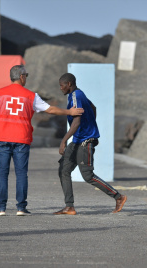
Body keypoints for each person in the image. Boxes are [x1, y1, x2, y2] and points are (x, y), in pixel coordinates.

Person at [0, 65, 84, 216]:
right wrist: (69, 111)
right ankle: (21, 208)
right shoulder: (30, 96)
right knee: (21, 174)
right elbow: (50, 110)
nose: (26, 78)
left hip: (2, 138)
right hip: (22, 138)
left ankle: (1, 208)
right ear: (21, 77)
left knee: (2, 173)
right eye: (26, 75)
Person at [53, 73, 127, 215]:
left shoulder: (76, 96)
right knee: (63, 169)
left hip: (85, 142)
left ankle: (119, 197)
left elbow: (76, 122)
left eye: (61, 85)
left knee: (87, 175)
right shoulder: (77, 95)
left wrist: (63, 141)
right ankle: (69, 206)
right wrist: (91, 126)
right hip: (77, 140)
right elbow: (93, 108)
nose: (60, 88)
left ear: (69, 84)